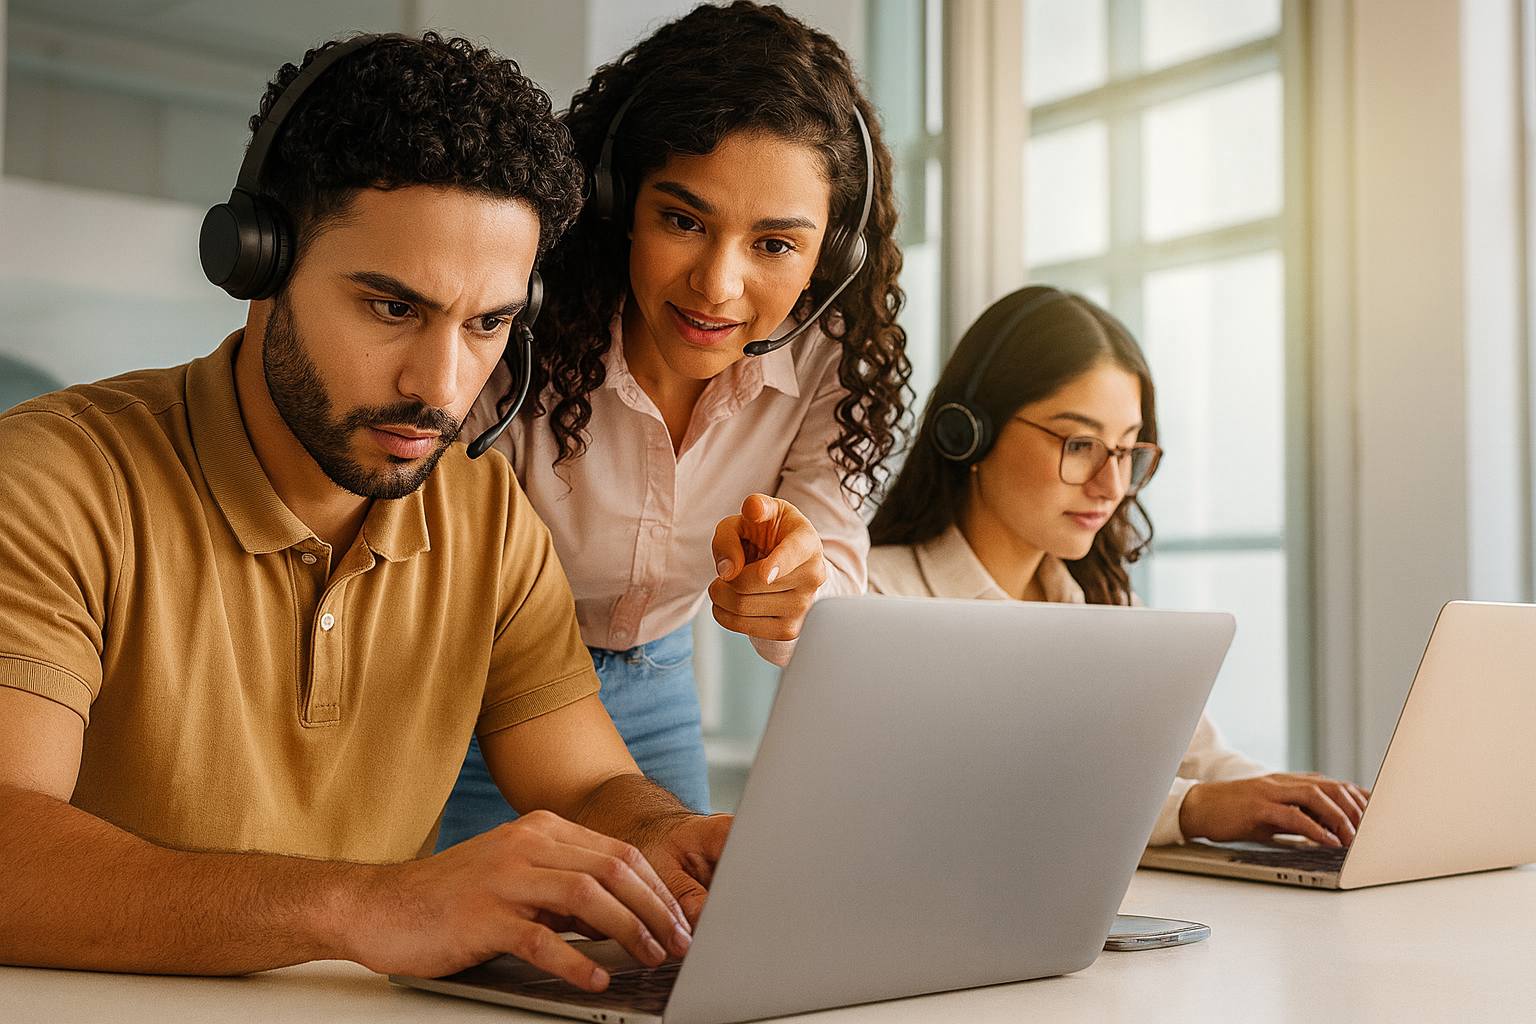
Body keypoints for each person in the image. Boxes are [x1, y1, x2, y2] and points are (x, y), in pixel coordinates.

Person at [0, 33, 728, 993]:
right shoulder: (53, 479)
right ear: (258, 261)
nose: (442, 386)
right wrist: (367, 905)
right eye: (393, 308)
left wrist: (670, 838)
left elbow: (586, 784)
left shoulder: (486, 515)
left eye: (487, 324)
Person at [440, 1, 910, 846]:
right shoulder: (520, 323)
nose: (717, 287)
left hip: (655, 685)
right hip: (469, 690)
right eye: (684, 221)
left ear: (828, 255)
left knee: (675, 953)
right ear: (618, 201)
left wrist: (797, 595)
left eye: (775, 245)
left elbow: (831, 586)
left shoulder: (827, 355)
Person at [867, 286, 1371, 849]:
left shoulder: (1108, 605)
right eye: (1081, 444)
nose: (1111, 488)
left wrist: (1309, 805)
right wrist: (1193, 808)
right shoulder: (872, 595)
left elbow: (1202, 760)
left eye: (1127, 451)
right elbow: (953, 799)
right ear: (969, 434)